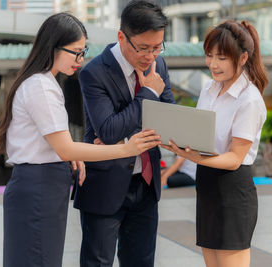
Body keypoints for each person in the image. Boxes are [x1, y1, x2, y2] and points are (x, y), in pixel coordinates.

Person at [0, 12, 160, 267]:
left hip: (43, 185)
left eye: (83, 53)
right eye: (76, 52)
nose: (80, 61)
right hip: (39, 188)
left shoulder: (42, 82)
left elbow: (61, 148)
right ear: (53, 46)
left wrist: (74, 156)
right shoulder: (40, 86)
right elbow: (65, 148)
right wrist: (126, 148)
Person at [73, 1, 174, 266]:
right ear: (121, 37)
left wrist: (126, 138)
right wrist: (149, 93)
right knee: (98, 262)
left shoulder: (158, 66)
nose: (151, 56)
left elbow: (169, 118)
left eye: (157, 47)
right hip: (105, 185)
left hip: (146, 184)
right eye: (143, 48)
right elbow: (107, 132)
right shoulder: (93, 73)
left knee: (141, 261)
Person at [161, 20, 268, 267]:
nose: (213, 64)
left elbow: (235, 158)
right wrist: (177, 141)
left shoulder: (249, 99)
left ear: (242, 58)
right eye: (209, 56)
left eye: (221, 57)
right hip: (207, 184)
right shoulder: (209, 88)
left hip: (232, 188)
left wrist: (195, 158)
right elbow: (202, 134)